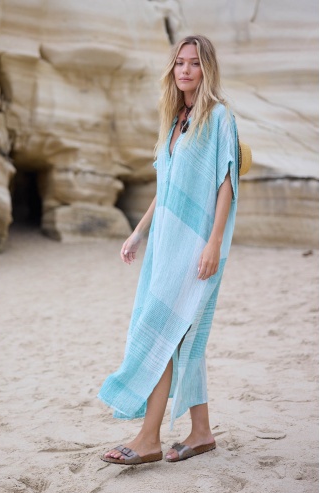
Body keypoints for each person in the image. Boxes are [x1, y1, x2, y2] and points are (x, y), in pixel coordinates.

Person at [98, 35, 239, 465]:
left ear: (206, 69)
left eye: (194, 63)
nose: (185, 70)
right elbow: (167, 188)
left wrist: (214, 241)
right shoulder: (175, 119)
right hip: (165, 245)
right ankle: (201, 432)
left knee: (163, 330)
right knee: (183, 335)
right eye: (179, 63)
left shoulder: (219, 118)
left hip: (196, 247)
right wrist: (138, 233)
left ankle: (148, 439)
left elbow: (227, 182)